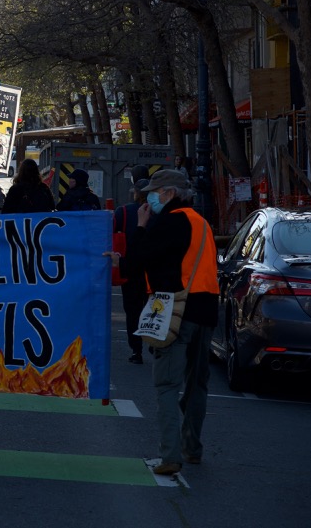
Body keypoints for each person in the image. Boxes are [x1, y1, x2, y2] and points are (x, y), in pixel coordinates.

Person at [123, 169, 218, 476]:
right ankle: (192, 449)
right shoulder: (200, 223)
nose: (151, 198)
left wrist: (139, 226)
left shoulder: (170, 221)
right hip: (206, 310)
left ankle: (170, 456)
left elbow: (139, 258)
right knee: (196, 385)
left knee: (166, 384)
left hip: (175, 310)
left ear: (171, 194)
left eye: (156, 192)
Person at [112, 166, 151, 364]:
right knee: (152, 307)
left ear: (135, 194)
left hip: (131, 268)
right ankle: (154, 341)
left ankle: (136, 350)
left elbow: (111, 233)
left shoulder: (123, 212)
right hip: (152, 269)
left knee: (133, 311)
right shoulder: (158, 214)